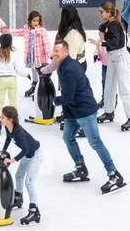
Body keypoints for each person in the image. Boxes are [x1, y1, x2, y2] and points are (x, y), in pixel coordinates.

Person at [48, 38, 125, 194]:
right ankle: (81, 168)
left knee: (95, 142)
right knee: (68, 137)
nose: (54, 53)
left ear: (65, 52)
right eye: (53, 50)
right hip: (73, 111)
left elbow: (68, 96)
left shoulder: (69, 68)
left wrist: (54, 101)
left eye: (57, 51)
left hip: (84, 110)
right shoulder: (64, 65)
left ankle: (114, 174)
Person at [92, 2, 130, 131]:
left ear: (109, 13)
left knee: (124, 89)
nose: (99, 14)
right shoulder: (110, 24)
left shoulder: (114, 25)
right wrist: (102, 30)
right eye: (99, 11)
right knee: (109, 86)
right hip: (113, 58)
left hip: (121, 58)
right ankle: (109, 111)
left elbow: (115, 42)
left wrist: (102, 43)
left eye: (101, 12)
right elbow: (104, 27)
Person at [0, 106, 42, 224]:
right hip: (28, 154)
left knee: (29, 182)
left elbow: (25, 149)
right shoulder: (9, 128)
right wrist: (3, 151)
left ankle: (35, 211)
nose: (0, 119)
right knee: (19, 175)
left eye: (3, 117)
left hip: (35, 154)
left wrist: (11, 160)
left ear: (10, 120)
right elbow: (8, 138)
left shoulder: (18, 133)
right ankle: (18, 199)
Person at [0, 33, 27, 133]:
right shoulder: (14, 54)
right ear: (11, 42)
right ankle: (14, 121)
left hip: (1, 80)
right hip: (12, 80)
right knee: (13, 101)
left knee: (0, 101)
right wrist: (26, 74)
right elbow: (19, 69)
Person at [15, 10, 51, 97]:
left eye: (37, 20)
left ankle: (42, 89)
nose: (36, 22)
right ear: (30, 21)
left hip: (40, 57)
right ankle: (34, 85)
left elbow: (47, 43)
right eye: (34, 20)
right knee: (33, 70)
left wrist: (49, 54)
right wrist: (6, 31)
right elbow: (17, 32)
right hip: (31, 56)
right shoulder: (27, 30)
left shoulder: (42, 31)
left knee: (41, 73)